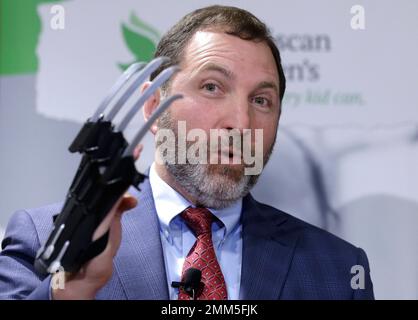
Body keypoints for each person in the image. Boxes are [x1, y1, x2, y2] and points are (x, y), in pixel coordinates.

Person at [0, 5, 374, 300]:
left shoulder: (338, 270)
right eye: (212, 87)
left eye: (262, 100)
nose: (240, 123)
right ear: (153, 104)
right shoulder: (44, 242)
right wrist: (70, 291)